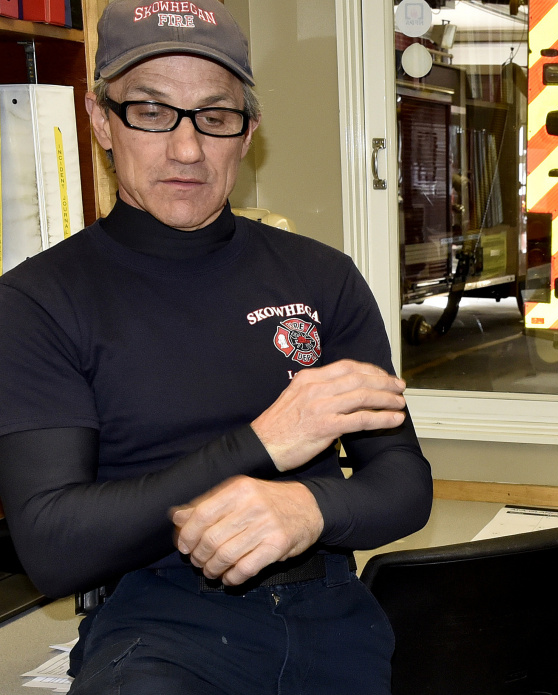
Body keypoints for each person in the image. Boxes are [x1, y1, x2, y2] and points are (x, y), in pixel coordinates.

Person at [0, 1, 432, 693]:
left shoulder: (321, 277)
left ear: (249, 130)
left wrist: (310, 509)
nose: (187, 148)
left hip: (333, 616)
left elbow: (405, 483)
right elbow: (52, 545)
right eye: (151, 111)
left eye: (215, 116)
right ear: (100, 120)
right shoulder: (38, 300)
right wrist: (261, 444)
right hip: (159, 628)